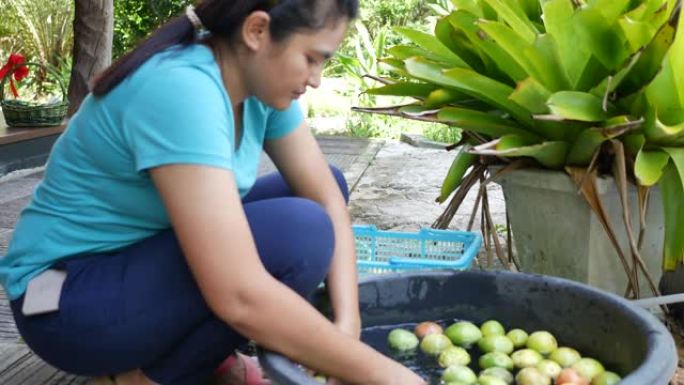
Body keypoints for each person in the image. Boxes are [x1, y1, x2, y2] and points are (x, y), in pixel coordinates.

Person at [0, 1, 428, 385]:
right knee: (299, 233)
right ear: (257, 31)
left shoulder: (257, 85)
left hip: (131, 265)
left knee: (323, 193)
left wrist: (347, 327)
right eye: (311, 58)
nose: (316, 79)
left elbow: (327, 196)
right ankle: (152, 379)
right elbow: (237, 292)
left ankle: (207, 360)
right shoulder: (180, 89)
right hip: (59, 301)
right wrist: (386, 375)